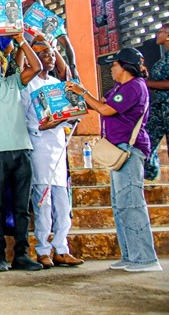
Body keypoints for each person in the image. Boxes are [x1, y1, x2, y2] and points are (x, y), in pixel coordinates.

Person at [67, 48, 161, 272]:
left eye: (115, 64)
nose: (112, 68)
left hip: (129, 149)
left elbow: (105, 109)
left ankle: (145, 258)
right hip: (119, 149)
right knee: (121, 205)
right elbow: (98, 103)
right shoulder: (121, 88)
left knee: (132, 203)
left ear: (126, 67)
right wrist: (78, 95)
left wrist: (82, 92)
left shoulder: (134, 86)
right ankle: (130, 255)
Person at [0, 31, 45, 272]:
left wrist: (21, 40)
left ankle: (22, 254)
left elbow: (36, 67)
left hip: (22, 150)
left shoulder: (13, 81)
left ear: (3, 64)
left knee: (21, 208)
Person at [21, 37, 85, 268]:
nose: (49, 58)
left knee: (62, 201)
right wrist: (41, 127)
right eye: (44, 54)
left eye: (51, 54)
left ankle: (61, 247)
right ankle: (42, 249)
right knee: (43, 200)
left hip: (58, 143)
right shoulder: (28, 85)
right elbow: (24, 119)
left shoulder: (57, 84)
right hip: (40, 145)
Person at [145, 24, 169, 179]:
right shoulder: (165, 56)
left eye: (160, 31)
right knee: (147, 138)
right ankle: (150, 171)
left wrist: (147, 84)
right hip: (161, 106)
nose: (156, 34)